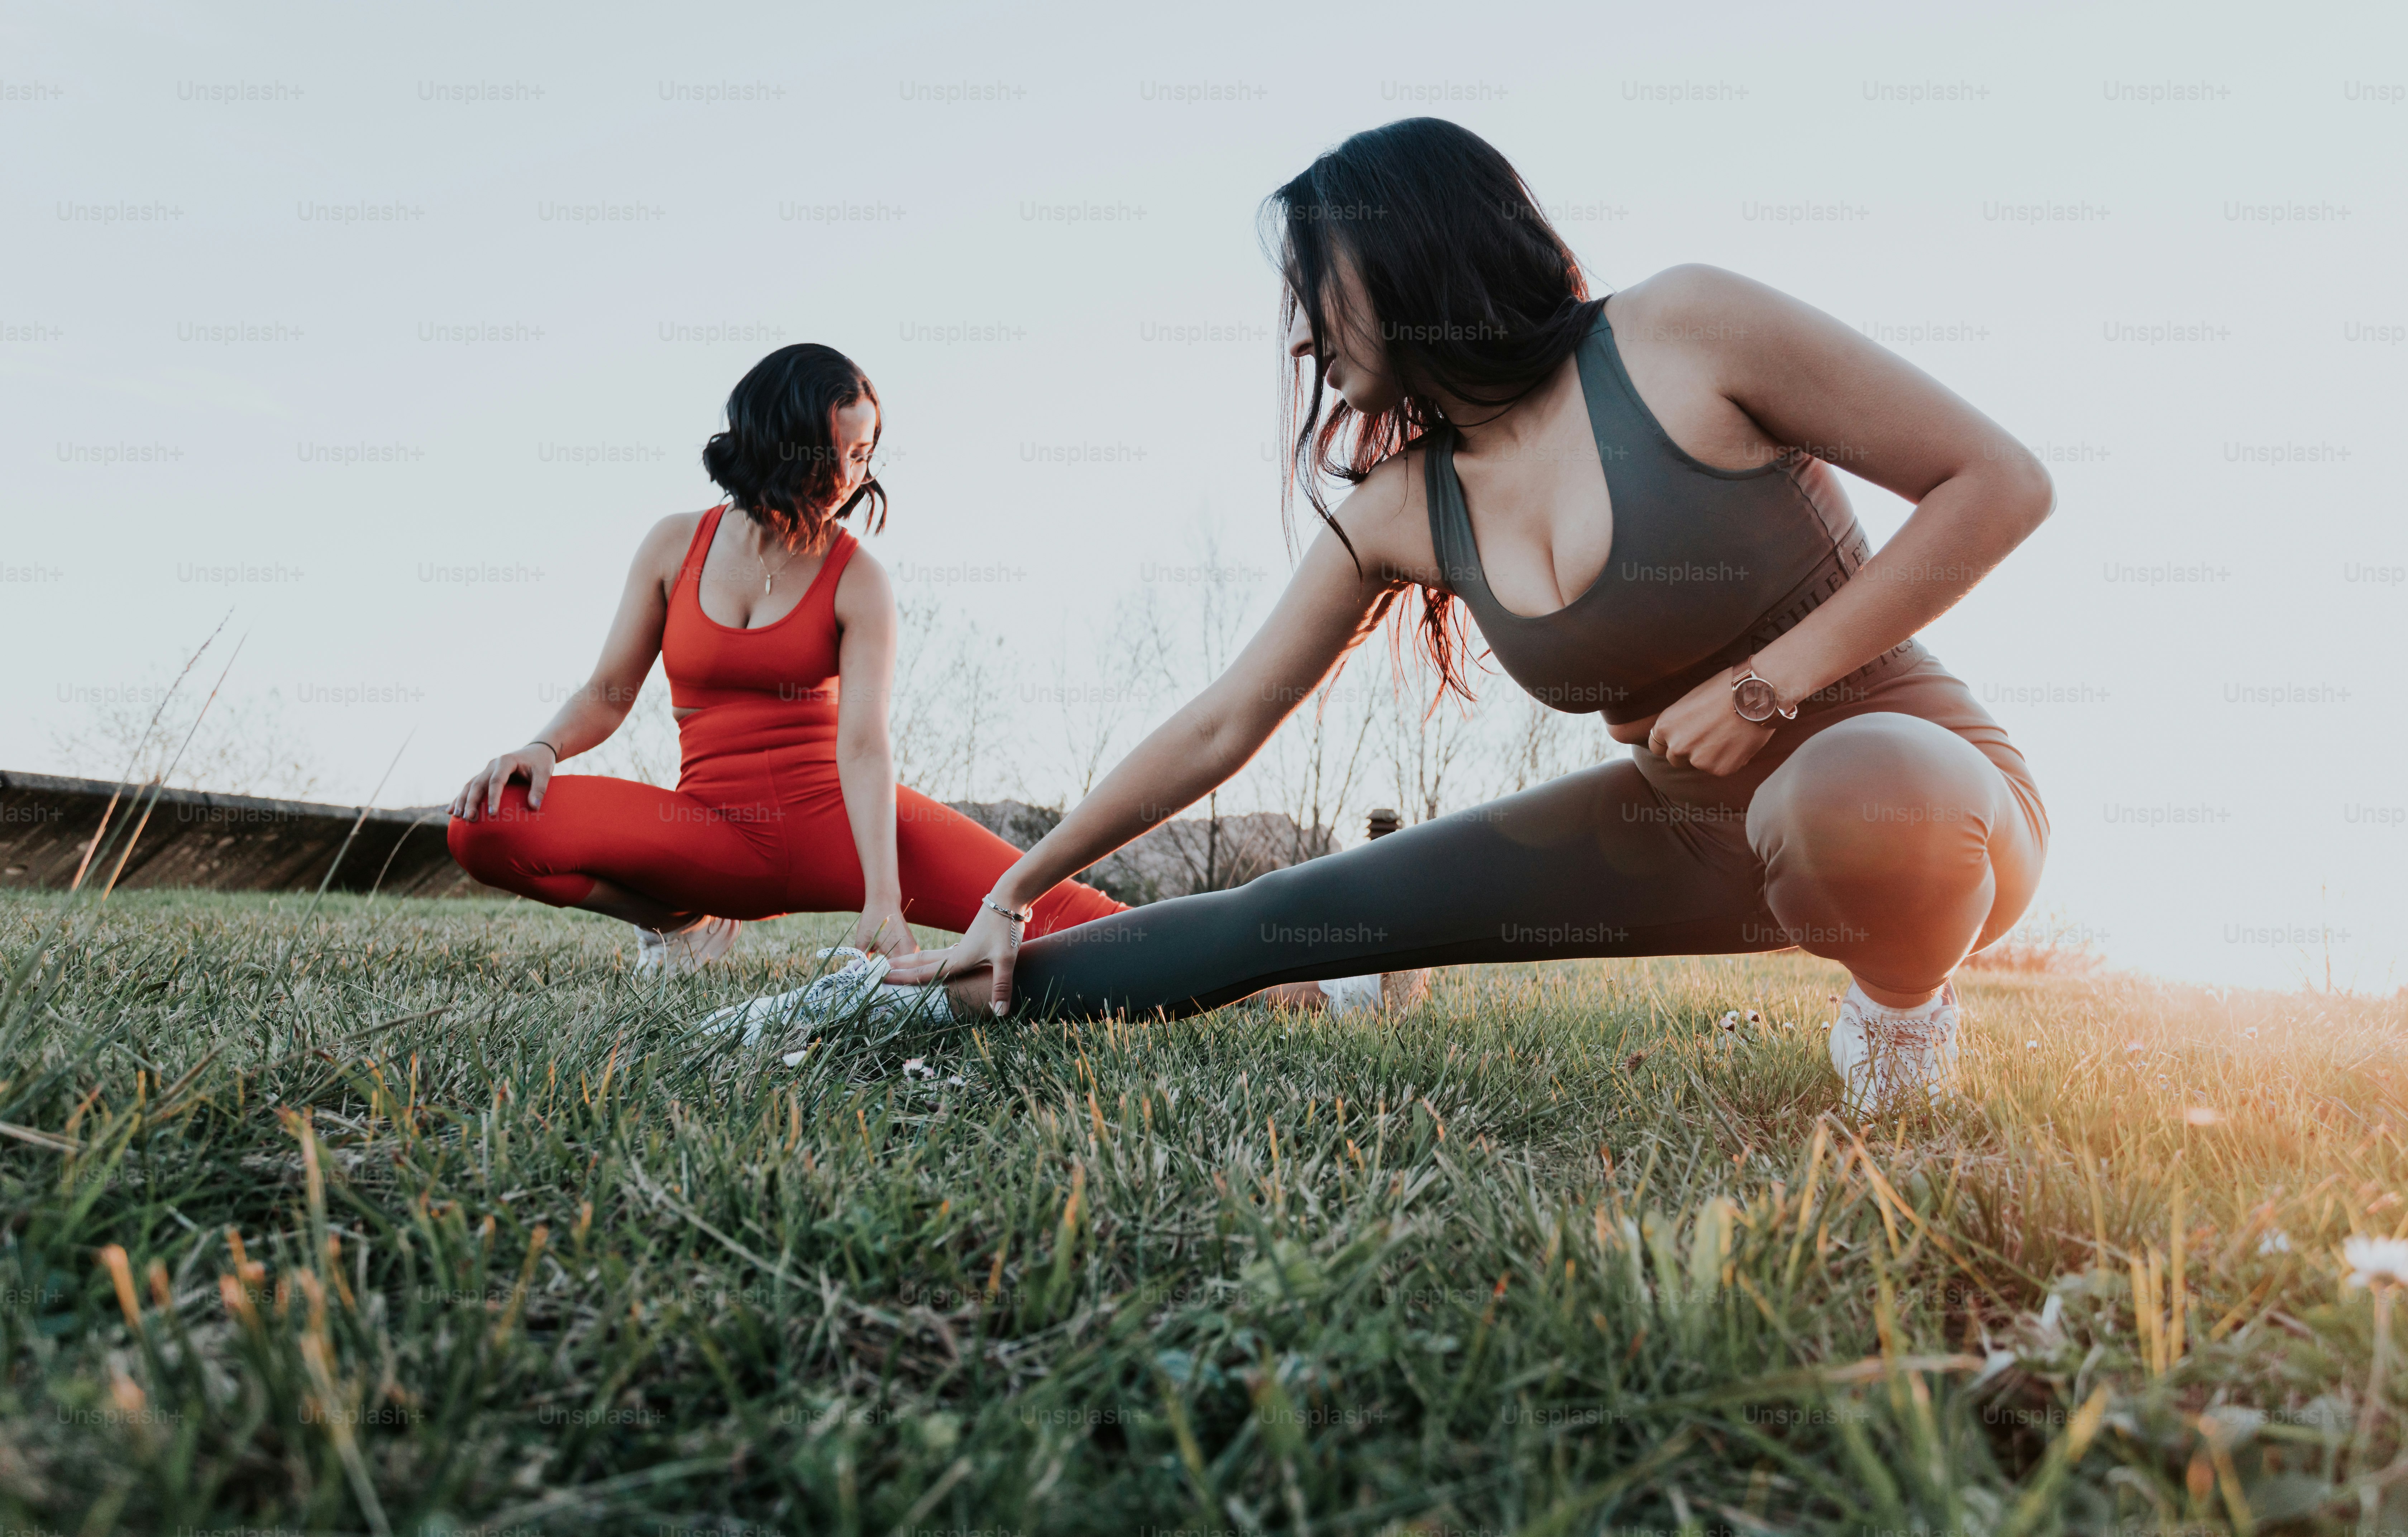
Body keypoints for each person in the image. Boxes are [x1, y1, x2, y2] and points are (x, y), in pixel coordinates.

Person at [827, 118, 2051, 1120]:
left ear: (1409, 251)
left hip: (1922, 800)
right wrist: (1014, 891)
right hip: (1680, 832)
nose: (1300, 336)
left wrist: (1767, 685)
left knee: (1843, 797)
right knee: (1287, 917)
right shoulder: (1404, 507)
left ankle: (1899, 1013)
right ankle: (872, 1002)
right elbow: (1222, 725)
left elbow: (1999, 483)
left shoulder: (1684, 330)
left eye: (1315, 290)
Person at [444, 343, 1126, 970]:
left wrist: (884, 899)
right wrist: (545, 748)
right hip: (707, 833)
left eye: (864, 455)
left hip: (841, 829)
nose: (848, 478)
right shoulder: (674, 545)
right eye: (834, 453)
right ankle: (682, 920)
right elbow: (608, 691)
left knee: (1092, 925)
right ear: (777, 442)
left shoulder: (860, 579)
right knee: (485, 824)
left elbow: (863, 748)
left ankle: (1232, 961)